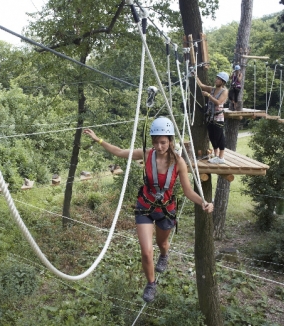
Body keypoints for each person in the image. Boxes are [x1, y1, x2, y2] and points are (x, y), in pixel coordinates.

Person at [83, 117, 213, 303]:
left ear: (170, 141)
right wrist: (99, 140)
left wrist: (203, 202)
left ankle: (164, 254)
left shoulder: (179, 162)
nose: (159, 146)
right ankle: (151, 283)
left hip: (166, 211)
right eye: (156, 142)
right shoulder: (146, 154)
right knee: (146, 251)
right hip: (144, 207)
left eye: (163, 142)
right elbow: (120, 152)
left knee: (162, 244)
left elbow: (187, 191)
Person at [195, 72, 229, 164]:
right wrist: (195, 76)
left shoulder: (224, 91)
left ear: (222, 82)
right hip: (210, 117)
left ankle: (221, 157)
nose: (216, 80)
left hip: (218, 117)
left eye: (218, 79)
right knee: (212, 137)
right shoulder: (212, 89)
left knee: (219, 137)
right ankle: (216, 155)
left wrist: (208, 95)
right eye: (216, 78)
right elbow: (202, 86)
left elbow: (218, 102)